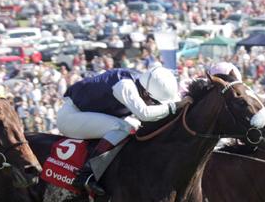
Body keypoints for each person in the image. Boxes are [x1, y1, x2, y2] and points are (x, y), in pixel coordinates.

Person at [55, 63, 190, 195]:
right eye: (156, 103)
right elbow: (144, 113)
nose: (156, 106)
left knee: (134, 126)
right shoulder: (125, 85)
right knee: (122, 128)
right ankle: (86, 174)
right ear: (146, 93)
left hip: (85, 114)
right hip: (70, 118)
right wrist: (173, 106)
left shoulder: (139, 84)